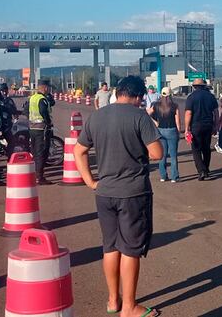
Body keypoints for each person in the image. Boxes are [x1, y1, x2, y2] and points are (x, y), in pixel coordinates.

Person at [73, 75, 163, 317]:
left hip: (104, 193)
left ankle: (113, 300)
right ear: (136, 96)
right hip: (132, 193)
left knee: (110, 247)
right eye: (141, 98)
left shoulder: (98, 115)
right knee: (131, 249)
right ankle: (130, 307)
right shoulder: (139, 116)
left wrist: (90, 181)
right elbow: (157, 153)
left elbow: (78, 150)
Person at [184, 78, 219, 181]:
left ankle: (201, 171)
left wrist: (186, 128)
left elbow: (188, 113)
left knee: (196, 149)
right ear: (204, 86)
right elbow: (216, 112)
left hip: (196, 126)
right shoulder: (211, 97)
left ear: (194, 87)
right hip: (208, 125)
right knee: (206, 148)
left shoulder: (191, 97)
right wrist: (216, 125)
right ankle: (206, 169)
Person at [148, 87, 181, 182]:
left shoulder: (156, 105)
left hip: (160, 130)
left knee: (162, 155)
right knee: (173, 155)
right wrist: (178, 131)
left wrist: (155, 122)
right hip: (172, 130)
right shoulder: (174, 106)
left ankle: (163, 176)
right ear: (170, 95)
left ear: (161, 95)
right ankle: (174, 177)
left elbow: (147, 113)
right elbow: (177, 120)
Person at [29, 79, 54, 184]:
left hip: (32, 128)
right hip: (41, 129)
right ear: (45, 88)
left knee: (35, 152)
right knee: (41, 153)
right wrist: (48, 122)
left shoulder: (33, 98)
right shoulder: (42, 99)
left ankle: (36, 174)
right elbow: (43, 111)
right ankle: (39, 177)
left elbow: (27, 111)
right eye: (48, 88)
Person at [0, 83, 21, 155]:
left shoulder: (9, 100)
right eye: (2, 91)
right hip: (0, 125)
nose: (4, 92)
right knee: (11, 141)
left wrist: (20, 113)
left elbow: (14, 110)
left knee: (12, 140)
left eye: (5, 90)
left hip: (7, 124)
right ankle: (10, 156)